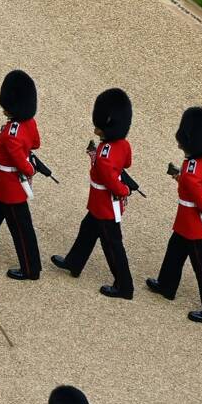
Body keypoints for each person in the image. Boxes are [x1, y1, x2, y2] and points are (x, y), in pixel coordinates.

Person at [53, 88, 136, 299]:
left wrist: (124, 189)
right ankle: (74, 262)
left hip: (104, 205)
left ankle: (124, 286)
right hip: (100, 204)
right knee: (87, 231)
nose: (95, 129)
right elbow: (126, 163)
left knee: (112, 246)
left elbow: (109, 180)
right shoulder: (122, 145)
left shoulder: (105, 152)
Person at [148, 107, 202, 322]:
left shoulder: (191, 170)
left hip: (193, 224)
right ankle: (167, 285)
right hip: (185, 223)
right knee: (174, 252)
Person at [0, 70, 43, 280]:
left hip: (8, 186)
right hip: (6, 185)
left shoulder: (12, 133)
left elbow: (23, 164)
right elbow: (36, 143)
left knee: (21, 231)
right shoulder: (29, 124)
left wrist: (30, 169)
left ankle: (30, 269)